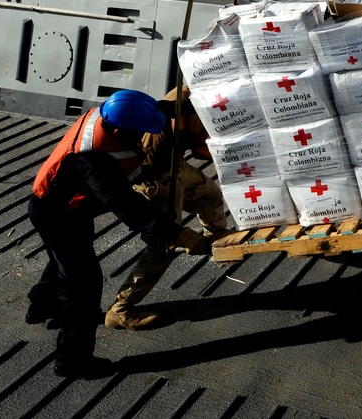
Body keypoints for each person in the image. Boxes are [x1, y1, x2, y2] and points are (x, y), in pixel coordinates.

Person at [26, 90, 211, 379]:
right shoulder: (94, 163)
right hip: (57, 215)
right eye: (138, 133)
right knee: (83, 285)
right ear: (118, 130)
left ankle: (40, 306)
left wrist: (199, 102)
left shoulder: (111, 111)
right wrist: (179, 235)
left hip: (71, 208)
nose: (143, 137)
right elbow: (132, 210)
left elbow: (155, 108)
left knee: (64, 259)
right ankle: (72, 362)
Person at [104, 86, 228, 331]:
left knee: (208, 194)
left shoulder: (205, 91)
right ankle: (121, 309)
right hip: (155, 178)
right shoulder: (181, 99)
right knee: (163, 246)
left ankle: (215, 239)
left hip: (174, 164)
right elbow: (199, 148)